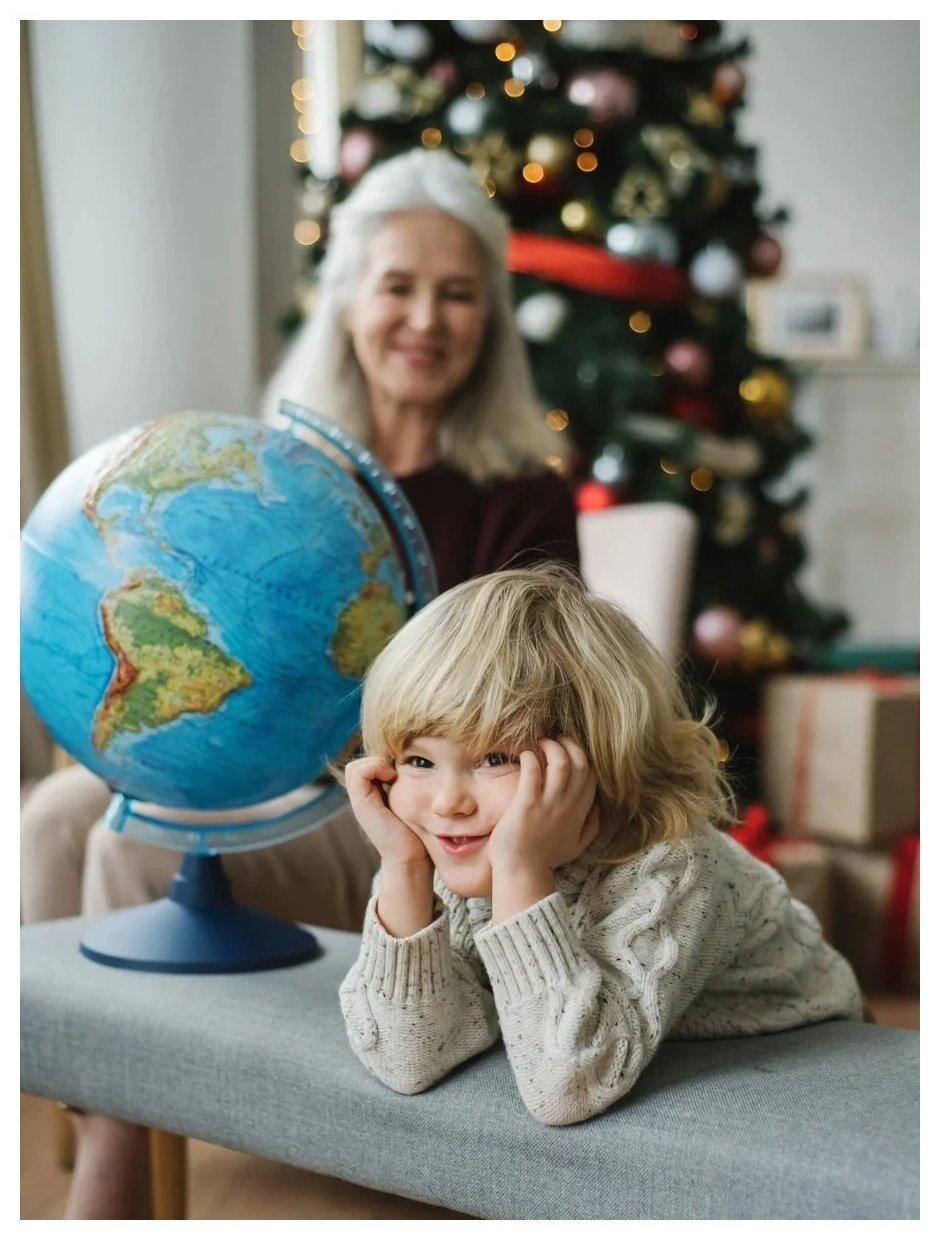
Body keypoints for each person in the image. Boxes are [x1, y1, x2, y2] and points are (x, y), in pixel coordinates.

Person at [20, 148, 579, 1217]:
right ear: (348, 304)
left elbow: (523, 701)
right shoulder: (289, 473)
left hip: (388, 805)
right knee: (51, 820)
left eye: (457, 294)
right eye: (398, 287)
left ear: (489, 322)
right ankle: (110, 1104)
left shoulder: (518, 496)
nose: (425, 317)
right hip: (270, 759)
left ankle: (113, 1182)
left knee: (129, 842)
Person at [338, 566, 864, 1127]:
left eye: (496, 758)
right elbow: (406, 1059)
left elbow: (568, 1087)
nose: (447, 802)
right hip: (629, 1016)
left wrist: (521, 868)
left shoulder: (674, 863)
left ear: (593, 758)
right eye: (420, 761)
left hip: (798, 1038)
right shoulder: (442, 844)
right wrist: (403, 869)